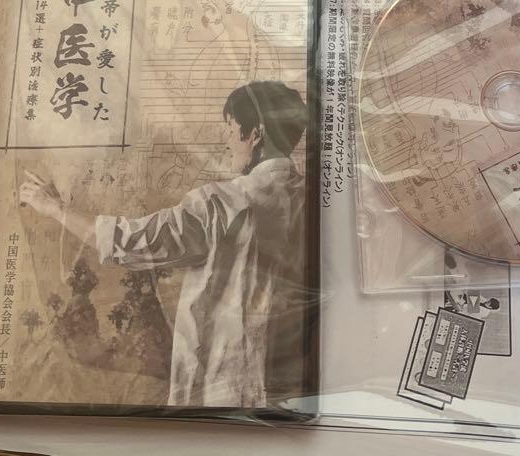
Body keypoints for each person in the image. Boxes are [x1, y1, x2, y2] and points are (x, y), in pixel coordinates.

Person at [19, 80, 309, 409]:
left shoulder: (220, 204)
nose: (227, 140)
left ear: (255, 134)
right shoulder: (314, 204)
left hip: (226, 395)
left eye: (230, 129)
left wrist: (55, 208)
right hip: (298, 397)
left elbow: (129, 241)